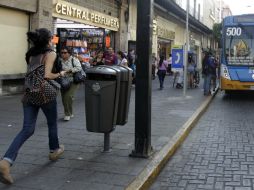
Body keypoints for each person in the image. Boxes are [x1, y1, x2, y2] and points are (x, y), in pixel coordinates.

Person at [0, 28, 67, 185]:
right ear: (48, 39)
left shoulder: (30, 54)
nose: (52, 40)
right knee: (52, 122)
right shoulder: (50, 53)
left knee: (27, 129)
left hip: (29, 94)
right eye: (52, 38)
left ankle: (6, 162)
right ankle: (54, 150)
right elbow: (47, 75)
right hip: (44, 94)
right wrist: (61, 74)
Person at [60, 47, 82, 121]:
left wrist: (69, 71)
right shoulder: (60, 60)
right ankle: (70, 112)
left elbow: (79, 68)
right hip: (63, 81)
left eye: (65, 52)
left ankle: (67, 114)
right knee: (64, 98)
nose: (63, 54)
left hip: (73, 81)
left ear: (69, 53)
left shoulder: (74, 59)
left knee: (68, 96)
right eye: (62, 52)